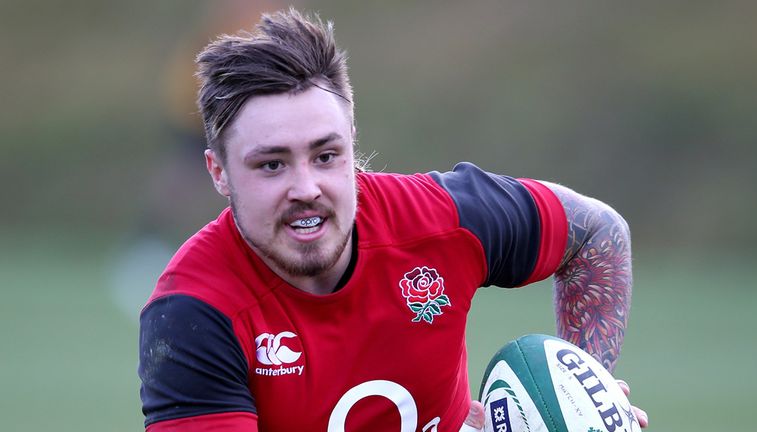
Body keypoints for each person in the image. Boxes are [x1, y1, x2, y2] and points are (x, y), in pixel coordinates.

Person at [138, 8, 648, 432]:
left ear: (352, 144)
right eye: (272, 165)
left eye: (326, 156)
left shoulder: (441, 218)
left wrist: (582, 392)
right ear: (219, 172)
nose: (306, 188)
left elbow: (597, 233)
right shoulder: (192, 314)